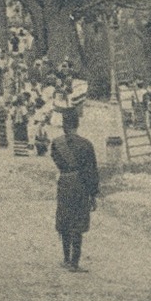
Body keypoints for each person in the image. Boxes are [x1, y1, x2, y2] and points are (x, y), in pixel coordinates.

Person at [50, 109, 100, 271]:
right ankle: (74, 262)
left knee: (64, 218)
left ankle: (65, 258)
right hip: (80, 184)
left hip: (64, 182)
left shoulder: (56, 144)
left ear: (63, 125)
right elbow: (91, 171)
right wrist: (93, 194)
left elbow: (58, 163)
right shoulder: (86, 145)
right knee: (78, 222)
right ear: (77, 125)